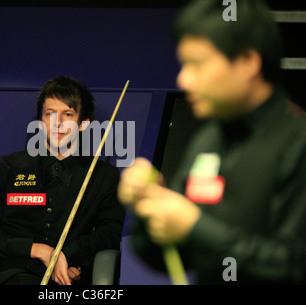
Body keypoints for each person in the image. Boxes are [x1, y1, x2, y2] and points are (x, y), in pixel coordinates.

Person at [118, 0, 306, 284]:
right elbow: (168, 255)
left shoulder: (298, 142)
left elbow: (293, 267)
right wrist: (149, 207)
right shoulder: (208, 140)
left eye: (197, 64)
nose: (183, 79)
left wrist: (194, 226)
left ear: (247, 62)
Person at [0, 75, 125, 285]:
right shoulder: (8, 166)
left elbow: (110, 234)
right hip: (5, 277)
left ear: (83, 123)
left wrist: (70, 255)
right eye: (50, 114)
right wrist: (37, 250)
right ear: (41, 122)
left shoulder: (103, 176)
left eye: (67, 114)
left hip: (65, 280)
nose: (58, 123)